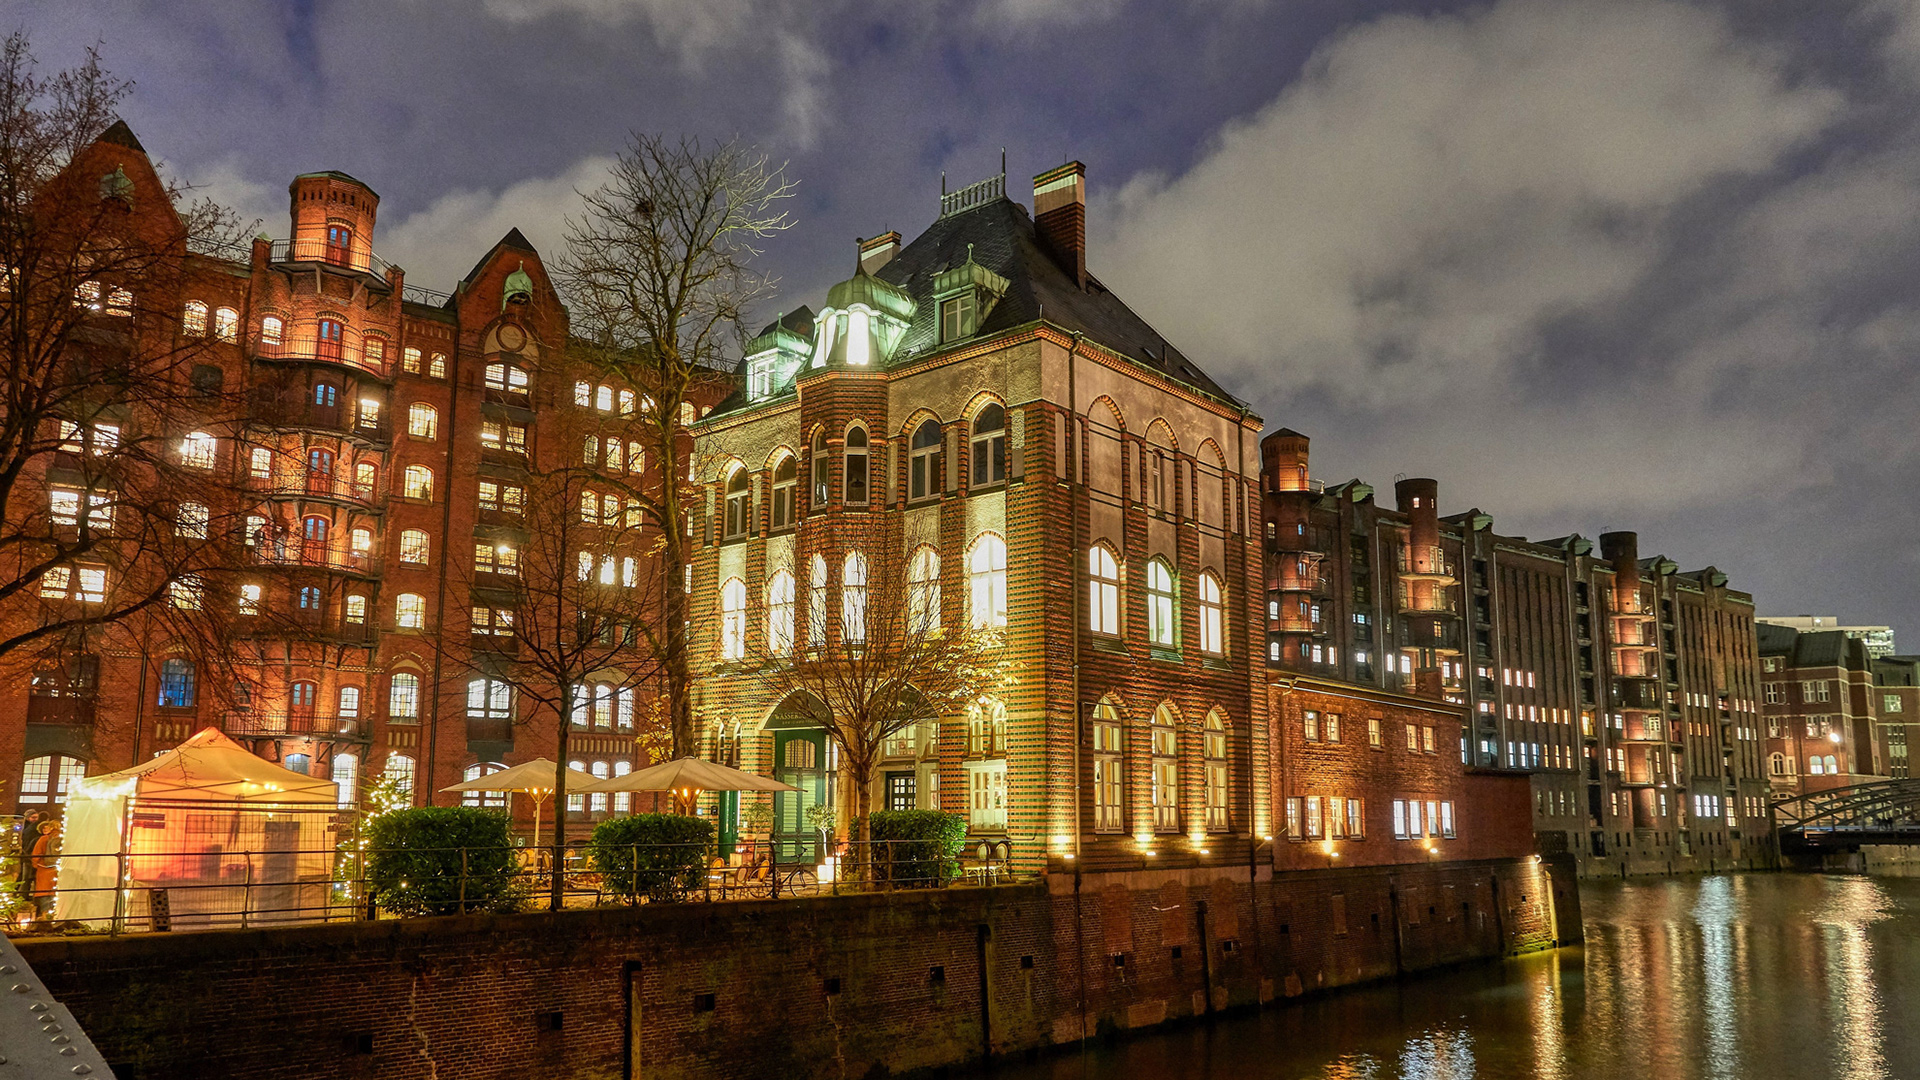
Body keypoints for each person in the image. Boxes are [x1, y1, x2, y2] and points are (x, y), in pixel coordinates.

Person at [29, 820, 58, 922]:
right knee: (54, 895)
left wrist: (36, 865)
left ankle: (45, 918)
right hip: (57, 870)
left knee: (44, 894)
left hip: (44, 870)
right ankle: (54, 916)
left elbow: (35, 855)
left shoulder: (44, 838)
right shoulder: (62, 839)